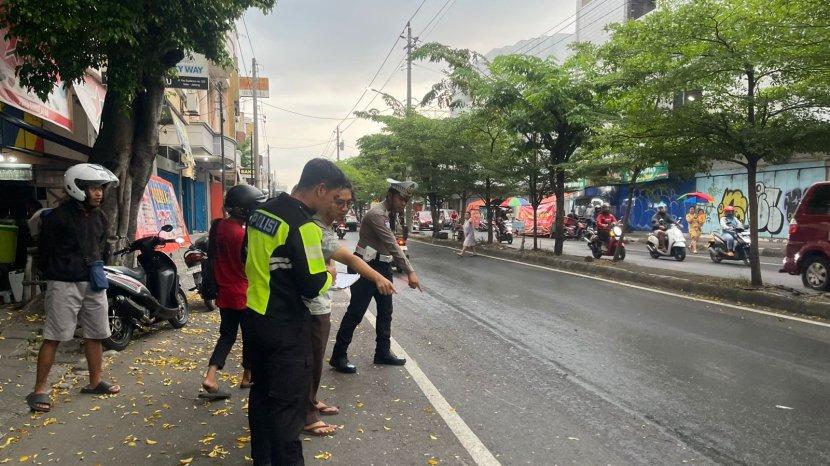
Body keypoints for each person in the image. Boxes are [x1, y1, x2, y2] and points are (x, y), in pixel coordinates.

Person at [242, 158, 348, 465]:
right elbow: (313, 285)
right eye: (333, 199)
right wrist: (329, 271)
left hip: (256, 318)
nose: (333, 206)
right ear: (320, 189)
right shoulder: (303, 226)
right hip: (287, 326)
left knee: (261, 399)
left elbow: (244, 257)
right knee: (288, 410)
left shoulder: (260, 213)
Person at [302, 187, 396, 437]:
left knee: (383, 314)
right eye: (339, 202)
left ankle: (310, 401)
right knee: (350, 318)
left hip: (323, 298)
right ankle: (307, 410)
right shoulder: (314, 226)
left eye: (347, 204)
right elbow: (351, 258)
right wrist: (378, 277)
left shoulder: (325, 227)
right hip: (313, 303)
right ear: (321, 195)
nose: (344, 208)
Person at [26, 163, 120, 413]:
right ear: (77, 187)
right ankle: (39, 390)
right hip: (64, 284)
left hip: (93, 281)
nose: (98, 193)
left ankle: (95, 381)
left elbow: (100, 246)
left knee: (97, 333)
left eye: (100, 188)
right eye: (92, 188)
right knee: (54, 336)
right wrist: (61, 271)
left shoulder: (100, 216)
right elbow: (45, 253)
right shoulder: (57, 217)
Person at [330, 178, 422, 374]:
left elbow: (394, 244)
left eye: (405, 201)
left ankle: (382, 352)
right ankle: (338, 356)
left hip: (383, 266)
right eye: (401, 199)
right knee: (356, 312)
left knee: (385, 312)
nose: (403, 204)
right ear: (390, 195)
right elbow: (392, 244)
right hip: (365, 267)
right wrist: (410, 271)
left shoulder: (391, 215)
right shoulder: (376, 214)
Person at [200, 185, 266, 401]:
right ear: (246, 210)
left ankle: (211, 375)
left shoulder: (219, 227)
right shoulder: (241, 234)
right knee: (251, 337)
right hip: (243, 293)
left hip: (224, 292)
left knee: (227, 336)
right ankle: (248, 375)